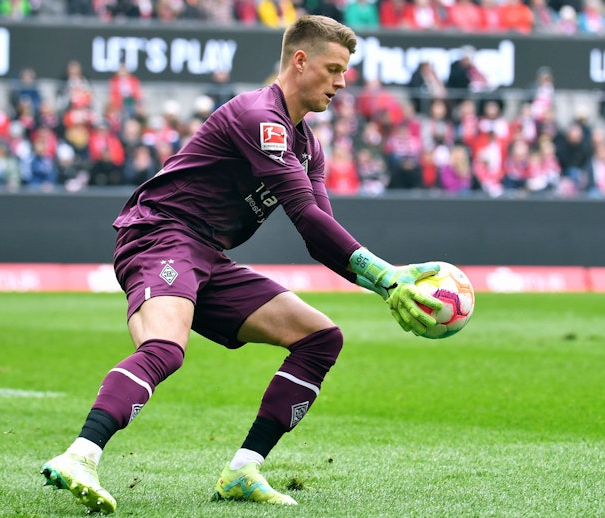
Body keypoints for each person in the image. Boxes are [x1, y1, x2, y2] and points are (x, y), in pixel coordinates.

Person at [39, 15, 443, 514]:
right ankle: (81, 455)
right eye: (333, 69)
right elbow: (305, 216)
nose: (341, 83)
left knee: (320, 338)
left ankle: (243, 470)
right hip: (160, 235)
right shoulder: (259, 117)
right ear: (300, 61)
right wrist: (387, 276)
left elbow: (319, 233)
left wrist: (383, 283)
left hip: (206, 253)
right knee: (165, 348)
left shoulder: (307, 145)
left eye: (345, 72)